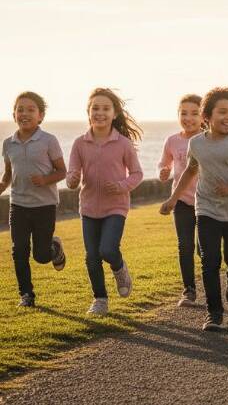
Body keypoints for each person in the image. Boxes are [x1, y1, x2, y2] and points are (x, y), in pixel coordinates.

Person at [161, 87, 228, 331]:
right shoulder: (196, 143)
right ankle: (213, 313)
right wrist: (173, 199)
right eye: (222, 112)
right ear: (208, 115)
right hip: (205, 208)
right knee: (209, 260)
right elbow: (191, 171)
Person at [67, 88, 144, 316]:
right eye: (95, 108)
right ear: (88, 112)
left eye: (105, 108)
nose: (100, 112)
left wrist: (121, 186)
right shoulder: (80, 143)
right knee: (92, 257)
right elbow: (73, 173)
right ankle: (100, 299)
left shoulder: (122, 144)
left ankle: (120, 269)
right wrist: (72, 180)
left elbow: (137, 174)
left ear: (115, 113)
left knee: (108, 250)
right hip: (89, 207)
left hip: (116, 207)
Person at [1, 92, 67, 308]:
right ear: (14, 114)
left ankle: (53, 247)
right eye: (20, 109)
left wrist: (45, 179)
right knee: (19, 250)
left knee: (40, 256)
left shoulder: (48, 140)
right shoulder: (8, 143)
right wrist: (2, 186)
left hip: (44, 206)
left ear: (40, 116)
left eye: (30, 109)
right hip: (18, 205)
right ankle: (26, 295)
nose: (24, 113)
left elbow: (62, 171)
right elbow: (9, 173)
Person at [157, 94, 204, 307]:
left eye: (194, 113)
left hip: (206, 202)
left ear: (203, 116)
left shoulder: (208, 139)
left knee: (203, 249)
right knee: (184, 245)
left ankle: (211, 285)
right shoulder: (172, 140)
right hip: (181, 201)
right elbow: (163, 163)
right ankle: (189, 290)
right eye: (184, 113)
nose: (188, 118)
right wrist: (164, 171)